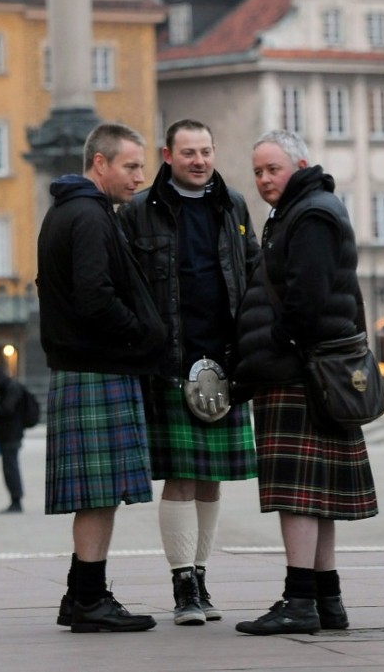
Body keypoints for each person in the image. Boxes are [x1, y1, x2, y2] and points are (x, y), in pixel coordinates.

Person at [233, 130, 378, 636]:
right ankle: (327, 599)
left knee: (298, 496)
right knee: (316, 497)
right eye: (257, 172)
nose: (264, 179)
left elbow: (307, 298)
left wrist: (276, 342)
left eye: (273, 168)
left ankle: (299, 601)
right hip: (308, 370)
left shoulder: (311, 213)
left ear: (299, 164)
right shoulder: (305, 209)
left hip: (298, 372)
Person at [118, 118, 259, 625]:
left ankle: (201, 577)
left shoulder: (234, 205)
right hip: (173, 363)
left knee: (212, 480)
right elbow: (126, 285)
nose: (199, 161)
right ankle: (182, 588)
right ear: (167, 155)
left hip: (225, 362)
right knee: (181, 477)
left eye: (206, 151)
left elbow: (254, 271)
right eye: (188, 153)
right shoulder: (139, 212)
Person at [37, 120, 166, 634]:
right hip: (96, 365)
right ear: (100, 163)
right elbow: (94, 297)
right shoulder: (88, 217)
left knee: (99, 491)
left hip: (85, 365)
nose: (140, 177)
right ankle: (89, 600)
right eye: (131, 166)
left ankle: (81, 594)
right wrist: (139, 334)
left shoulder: (70, 212)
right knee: (98, 493)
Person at [0, 366, 26, 512]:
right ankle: (15, 498)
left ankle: (16, 499)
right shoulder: (10, 388)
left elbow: (7, 410)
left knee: (10, 468)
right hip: (10, 434)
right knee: (10, 467)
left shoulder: (11, 389)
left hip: (11, 435)